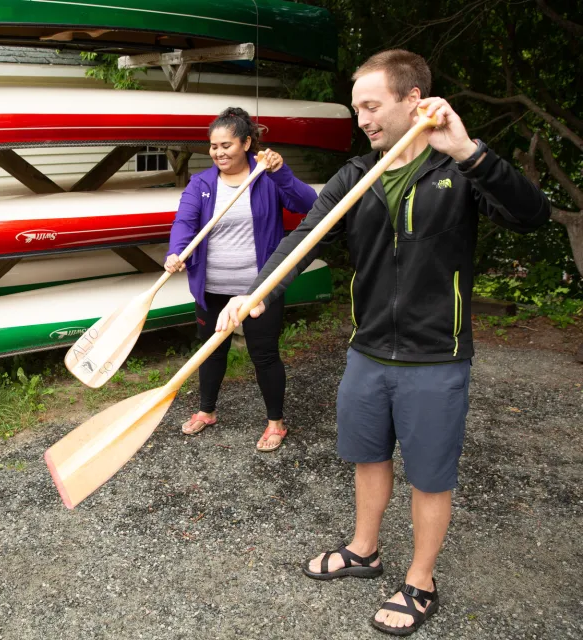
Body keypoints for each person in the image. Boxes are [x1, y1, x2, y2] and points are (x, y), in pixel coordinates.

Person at [217, 50, 550, 634]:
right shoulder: (355, 177)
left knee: (429, 474)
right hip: (367, 350)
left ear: (413, 100)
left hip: (434, 358)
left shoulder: (458, 172)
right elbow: (305, 235)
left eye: (372, 106)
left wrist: (469, 152)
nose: (363, 119)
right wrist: (258, 290)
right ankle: (363, 551)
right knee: (367, 457)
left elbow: (531, 216)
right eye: (357, 109)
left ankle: (421, 580)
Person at [165, 107, 318, 451]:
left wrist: (281, 173)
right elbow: (184, 224)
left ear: (247, 143)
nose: (218, 152)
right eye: (213, 146)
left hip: (259, 289)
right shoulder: (201, 183)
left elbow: (308, 204)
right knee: (210, 351)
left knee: (263, 354)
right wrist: (176, 252)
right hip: (212, 288)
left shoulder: (266, 177)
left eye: (226, 145)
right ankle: (207, 411)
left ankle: (275, 423)